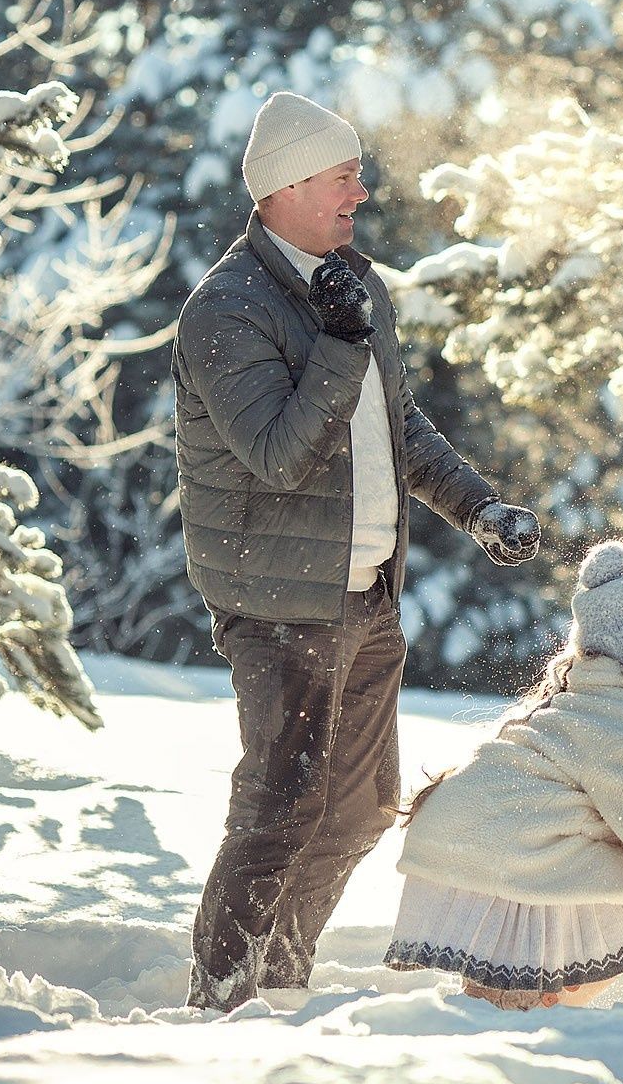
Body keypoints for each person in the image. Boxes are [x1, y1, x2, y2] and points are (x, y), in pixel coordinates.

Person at [173, 91, 544, 1012]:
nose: (360, 193)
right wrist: (339, 343)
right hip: (281, 600)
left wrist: (477, 506)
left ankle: (280, 979)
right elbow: (280, 456)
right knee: (279, 807)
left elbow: (396, 425)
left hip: (366, 594)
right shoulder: (225, 310)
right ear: (287, 185)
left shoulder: (354, 284)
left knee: (359, 807)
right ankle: (220, 997)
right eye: (343, 178)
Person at [387, 539, 623, 1008]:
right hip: (508, 855)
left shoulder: (579, 703)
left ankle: (509, 1003)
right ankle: (538, 1006)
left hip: (466, 846)